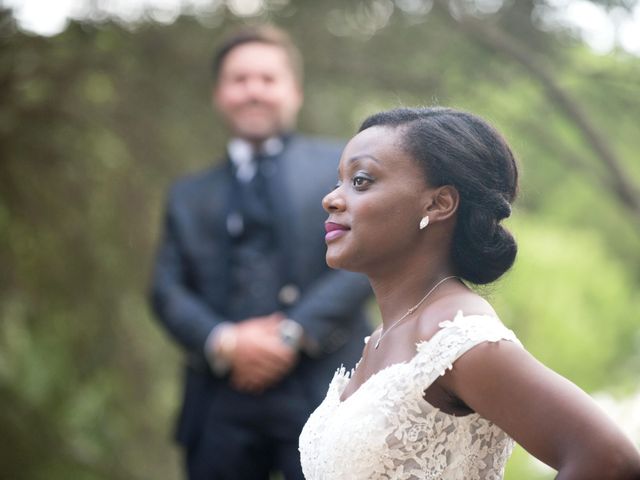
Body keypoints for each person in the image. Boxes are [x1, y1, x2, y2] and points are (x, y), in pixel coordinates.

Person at [299, 106, 640, 479]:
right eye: (339, 181)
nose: (331, 199)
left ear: (439, 203)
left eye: (361, 181)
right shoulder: (383, 337)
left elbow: (610, 458)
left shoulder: (456, 336)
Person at [149, 25, 371, 480]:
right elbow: (166, 289)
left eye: (268, 79)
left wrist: (291, 333)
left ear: (294, 92)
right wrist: (226, 341)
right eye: (240, 79)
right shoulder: (187, 195)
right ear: (219, 94)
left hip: (328, 389)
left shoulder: (343, 169)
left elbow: (369, 260)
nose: (254, 91)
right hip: (218, 404)